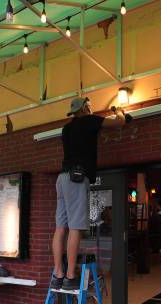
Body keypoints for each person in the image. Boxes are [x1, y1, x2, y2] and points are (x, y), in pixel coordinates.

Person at [52, 97, 129, 290]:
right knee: (76, 227)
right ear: (86, 107)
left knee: (61, 228)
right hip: (76, 178)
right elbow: (119, 121)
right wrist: (119, 111)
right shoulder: (90, 120)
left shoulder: (66, 129)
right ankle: (70, 275)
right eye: (89, 106)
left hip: (61, 179)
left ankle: (58, 273)